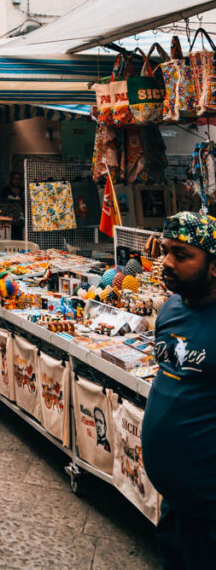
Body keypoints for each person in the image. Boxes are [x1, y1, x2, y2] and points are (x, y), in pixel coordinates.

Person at [142, 212, 216, 569]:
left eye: (182, 255)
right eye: (166, 251)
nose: (167, 263)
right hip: (173, 501)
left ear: (213, 266)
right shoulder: (170, 308)